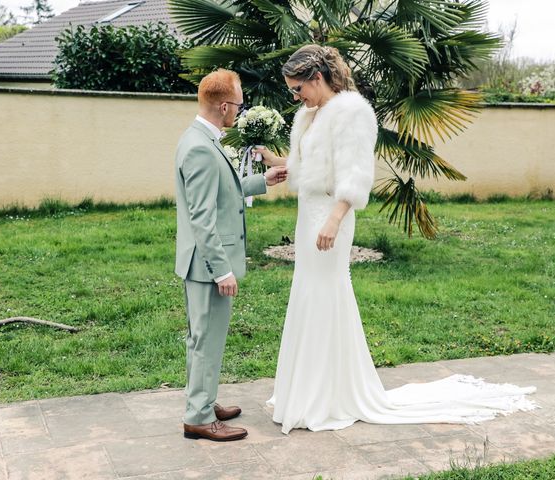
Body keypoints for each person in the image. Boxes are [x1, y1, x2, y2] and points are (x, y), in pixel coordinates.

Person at [256, 45, 536, 435]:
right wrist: (276, 161)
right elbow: (312, 163)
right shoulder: (310, 114)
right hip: (308, 216)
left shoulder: (351, 112)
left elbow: (354, 173)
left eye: (297, 88)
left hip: (330, 216)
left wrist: (335, 220)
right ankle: (309, 390)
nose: (295, 96)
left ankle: (328, 395)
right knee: (308, 292)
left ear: (317, 78)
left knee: (326, 292)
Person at [174, 69, 287, 442]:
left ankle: (203, 402)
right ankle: (199, 418)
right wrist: (221, 271)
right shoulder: (201, 148)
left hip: (199, 261)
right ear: (224, 106)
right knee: (207, 340)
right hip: (208, 265)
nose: (239, 111)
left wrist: (262, 181)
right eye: (237, 105)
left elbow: (224, 189)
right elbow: (202, 217)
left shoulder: (201, 138)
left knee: (201, 339)